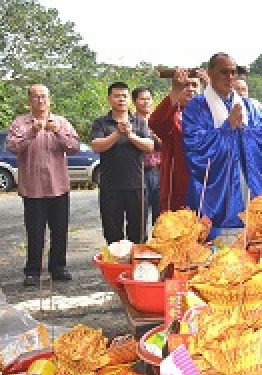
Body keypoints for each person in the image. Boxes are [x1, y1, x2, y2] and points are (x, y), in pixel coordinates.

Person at [182, 53, 262, 240]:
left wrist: (243, 131)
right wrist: (227, 128)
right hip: (215, 189)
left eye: (233, 72)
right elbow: (194, 144)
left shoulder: (247, 105)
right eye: (224, 72)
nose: (230, 77)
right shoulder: (196, 107)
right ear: (210, 73)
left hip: (245, 181)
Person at [6, 84, 80, 286]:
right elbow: (12, 147)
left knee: (60, 230)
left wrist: (58, 132)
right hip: (33, 188)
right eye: (36, 97)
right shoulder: (20, 123)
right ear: (29, 100)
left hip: (58, 186)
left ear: (50, 99)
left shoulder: (61, 122)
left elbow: (74, 147)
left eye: (44, 96)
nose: (40, 100)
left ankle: (58, 267)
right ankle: (32, 271)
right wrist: (31, 132)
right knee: (35, 232)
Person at [91, 82, 154, 244]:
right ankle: (115, 261)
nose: (121, 99)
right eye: (117, 96)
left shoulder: (139, 122)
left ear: (129, 100)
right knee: (113, 234)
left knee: (138, 234)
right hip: (110, 186)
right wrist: (117, 134)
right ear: (109, 99)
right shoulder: (101, 123)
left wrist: (130, 135)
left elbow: (149, 146)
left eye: (124, 96)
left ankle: (136, 260)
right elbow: (96, 146)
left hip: (137, 186)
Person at [148, 69, 206, 212]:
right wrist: (175, 90)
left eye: (194, 85)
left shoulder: (209, 114)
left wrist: (212, 90)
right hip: (178, 185)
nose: (190, 89)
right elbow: (156, 124)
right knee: (177, 224)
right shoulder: (173, 114)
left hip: (206, 183)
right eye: (185, 85)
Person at [132, 87, 161, 228]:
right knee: (139, 214)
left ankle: (159, 240)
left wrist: (153, 133)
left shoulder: (159, 120)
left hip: (160, 170)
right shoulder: (130, 123)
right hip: (140, 172)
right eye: (142, 99)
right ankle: (140, 240)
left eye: (148, 99)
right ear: (134, 102)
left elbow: (165, 144)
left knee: (160, 215)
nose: (146, 102)